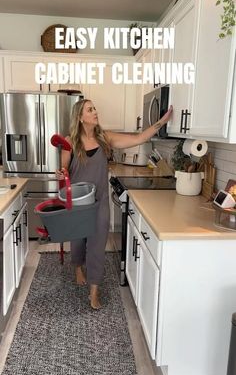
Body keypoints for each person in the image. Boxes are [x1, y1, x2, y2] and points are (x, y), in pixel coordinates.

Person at [56, 99, 173, 309]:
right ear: (80, 117)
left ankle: (94, 290)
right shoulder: (69, 141)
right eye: (90, 109)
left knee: (97, 245)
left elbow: (138, 138)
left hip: (99, 201)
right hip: (78, 202)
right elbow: (64, 168)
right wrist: (61, 172)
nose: (95, 111)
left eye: (95, 107)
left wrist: (161, 122)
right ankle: (77, 267)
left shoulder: (105, 138)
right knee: (77, 241)